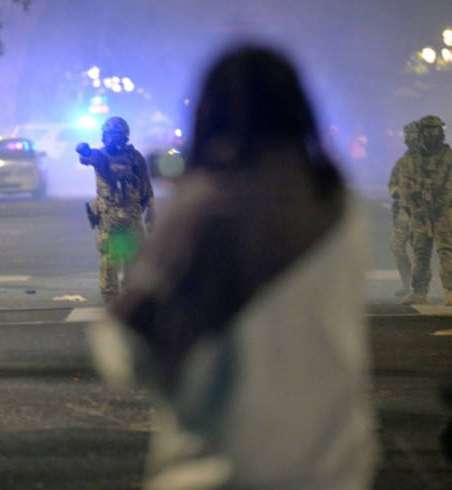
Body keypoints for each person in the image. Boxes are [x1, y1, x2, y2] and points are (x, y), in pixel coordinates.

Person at [89, 45, 378, 489]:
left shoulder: (208, 211)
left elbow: (128, 352)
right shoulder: (338, 207)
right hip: (335, 471)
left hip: (222, 472)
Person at [76, 116, 156, 306]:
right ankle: (110, 302)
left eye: (117, 135)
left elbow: (147, 186)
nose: (112, 138)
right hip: (110, 217)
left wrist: (151, 213)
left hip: (132, 216)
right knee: (110, 260)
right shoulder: (101, 156)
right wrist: (84, 150)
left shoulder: (135, 158)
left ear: (124, 136)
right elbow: (88, 157)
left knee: (134, 261)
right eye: (109, 134)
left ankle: (132, 302)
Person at [397, 115, 452, 305]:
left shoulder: (449, 157)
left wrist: (437, 205)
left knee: (446, 250)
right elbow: (404, 187)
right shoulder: (411, 160)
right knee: (421, 251)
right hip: (420, 213)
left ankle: (450, 291)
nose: (431, 135)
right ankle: (419, 291)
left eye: (434, 131)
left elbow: (449, 187)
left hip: (444, 213)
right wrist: (417, 208)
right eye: (427, 131)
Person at [387, 121, 419, 298]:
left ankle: (418, 287)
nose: (408, 139)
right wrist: (399, 193)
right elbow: (392, 183)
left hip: (422, 212)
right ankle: (408, 283)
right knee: (397, 247)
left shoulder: (432, 160)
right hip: (403, 212)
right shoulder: (403, 161)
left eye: (411, 135)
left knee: (420, 251)